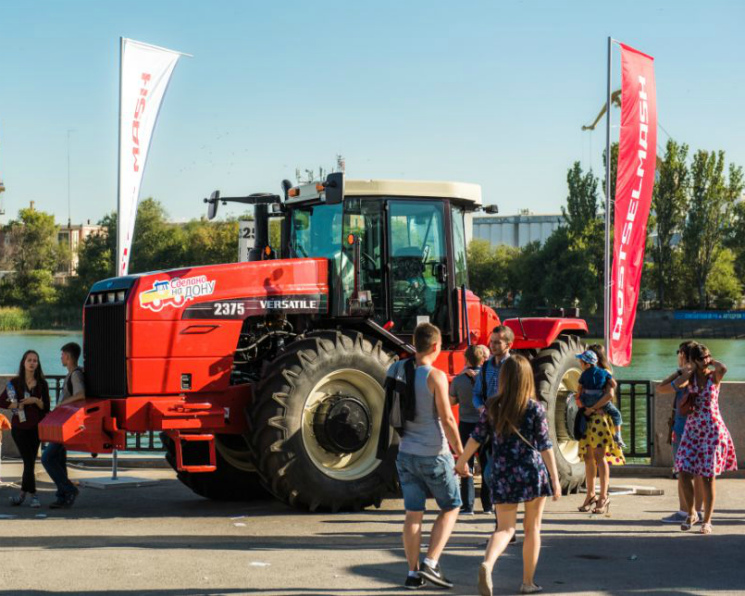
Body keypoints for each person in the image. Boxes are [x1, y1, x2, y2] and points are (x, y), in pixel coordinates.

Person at [456, 354, 561, 596]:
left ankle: (488, 564)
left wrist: (462, 462)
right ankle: (527, 582)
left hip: (502, 472)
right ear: (527, 379)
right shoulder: (535, 408)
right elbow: (545, 446)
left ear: (503, 378)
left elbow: (476, 437)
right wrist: (555, 479)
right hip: (531, 472)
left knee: (505, 529)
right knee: (532, 527)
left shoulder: (493, 406)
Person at [394, 323, 465, 590]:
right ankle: (431, 562)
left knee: (413, 515)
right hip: (434, 454)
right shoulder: (435, 376)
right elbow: (447, 419)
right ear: (436, 346)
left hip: (405, 453)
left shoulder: (397, 369)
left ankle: (412, 574)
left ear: (414, 343)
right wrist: (461, 454)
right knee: (451, 506)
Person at [672, 344, 737, 534]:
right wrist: (687, 369)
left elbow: (723, 368)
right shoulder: (689, 378)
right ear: (692, 360)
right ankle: (692, 512)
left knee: (708, 478)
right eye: (701, 358)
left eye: (707, 357)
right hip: (692, 430)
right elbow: (670, 386)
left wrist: (710, 360)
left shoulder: (713, 377)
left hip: (711, 431)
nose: (705, 361)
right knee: (683, 471)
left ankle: (707, 521)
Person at [657, 341, 704, 524]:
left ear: (684, 355)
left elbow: (661, 388)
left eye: (679, 353)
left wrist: (679, 371)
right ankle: (698, 512)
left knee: (682, 473)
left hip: (683, 429)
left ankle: (685, 511)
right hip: (700, 429)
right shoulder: (702, 374)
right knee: (699, 473)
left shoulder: (686, 375)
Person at [576, 350, 625, 515]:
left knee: (598, 457)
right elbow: (578, 394)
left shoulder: (603, 375)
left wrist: (591, 408)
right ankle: (590, 494)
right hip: (590, 418)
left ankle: (603, 496)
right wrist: (587, 409)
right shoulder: (602, 374)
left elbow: (610, 395)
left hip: (598, 419)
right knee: (589, 457)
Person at [0, 350, 51, 508]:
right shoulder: (15, 383)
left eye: (35, 360)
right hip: (19, 428)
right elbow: (2, 402)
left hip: (36, 428)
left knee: (29, 462)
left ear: (38, 364)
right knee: (29, 461)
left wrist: (35, 400)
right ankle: (34, 495)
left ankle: (22, 495)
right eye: (29, 360)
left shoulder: (42, 384)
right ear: (24, 362)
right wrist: (19, 404)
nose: (32, 363)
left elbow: (46, 407)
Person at [472, 325, 514, 513]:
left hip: (508, 424)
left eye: (498, 342)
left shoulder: (515, 366)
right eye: (492, 342)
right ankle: (498, 512)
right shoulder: (486, 366)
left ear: (509, 344)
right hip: (489, 423)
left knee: (500, 470)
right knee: (488, 469)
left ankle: (504, 513)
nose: (493, 346)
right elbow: (476, 394)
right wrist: (481, 407)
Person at [41, 342, 85, 509]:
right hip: (64, 424)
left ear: (68, 356)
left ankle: (69, 489)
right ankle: (62, 496)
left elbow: (81, 394)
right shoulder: (72, 374)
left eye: (62, 355)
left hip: (67, 425)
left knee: (47, 458)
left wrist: (61, 404)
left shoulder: (75, 374)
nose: (61, 358)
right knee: (59, 459)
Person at [449, 344, 489, 514]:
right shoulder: (488, 378)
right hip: (485, 424)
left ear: (465, 359)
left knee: (467, 464)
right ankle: (488, 506)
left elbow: (451, 402)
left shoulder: (459, 380)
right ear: (483, 359)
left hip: (466, 425)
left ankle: (468, 506)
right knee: (487, 464)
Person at [576, 348, 625, 449]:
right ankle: (618, 435)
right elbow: (614, 384)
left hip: (586, 400)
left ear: (588, 364)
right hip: (600, 399)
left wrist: (579, 398)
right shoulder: (604, 372)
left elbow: (579, 388)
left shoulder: (584, 374)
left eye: (581, 363)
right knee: (616, 414)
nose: (581, 364)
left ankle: (581, 429)